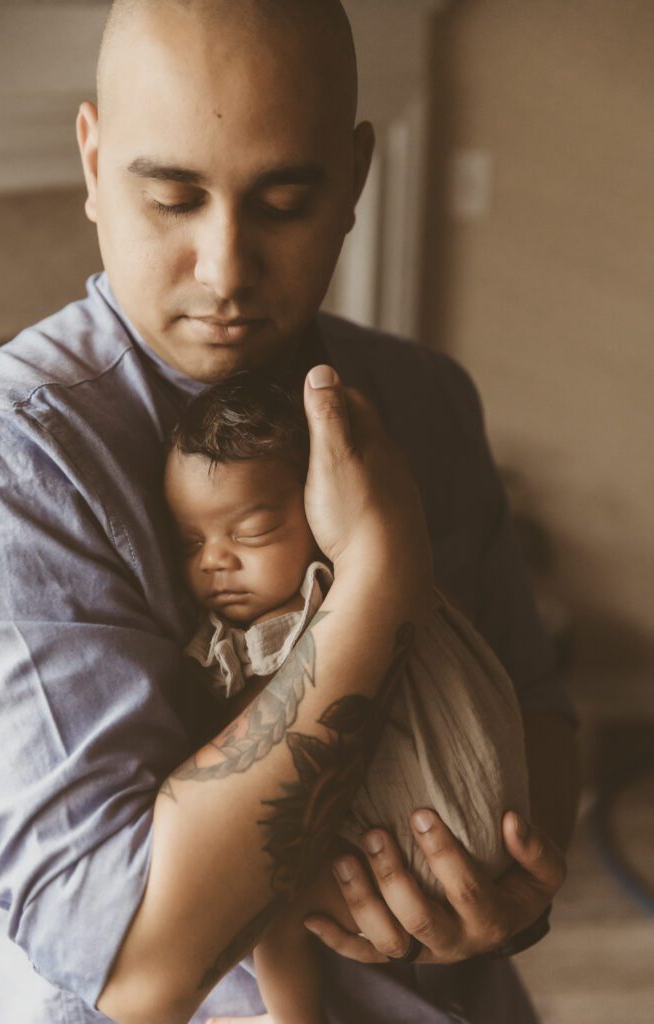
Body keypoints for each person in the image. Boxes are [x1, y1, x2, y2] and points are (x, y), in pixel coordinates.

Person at [0, 2, 579, 1023]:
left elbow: (539, 715)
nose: (225, 271)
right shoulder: (16, 448)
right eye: (171, 198)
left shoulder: (425, 397)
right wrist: (378, 582)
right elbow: (139, 967)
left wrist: (508, 895)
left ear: (352, 180)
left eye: (285, 202)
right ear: (89, 159)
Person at [164, 371, 530, 1024]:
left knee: (261, 892)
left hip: (424, 861)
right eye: (191, 542)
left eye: (249, 532)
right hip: (479, 857)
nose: (215, 560)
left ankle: (290, 1017)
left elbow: (257, 739)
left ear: (318, 506)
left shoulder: (314, 606)